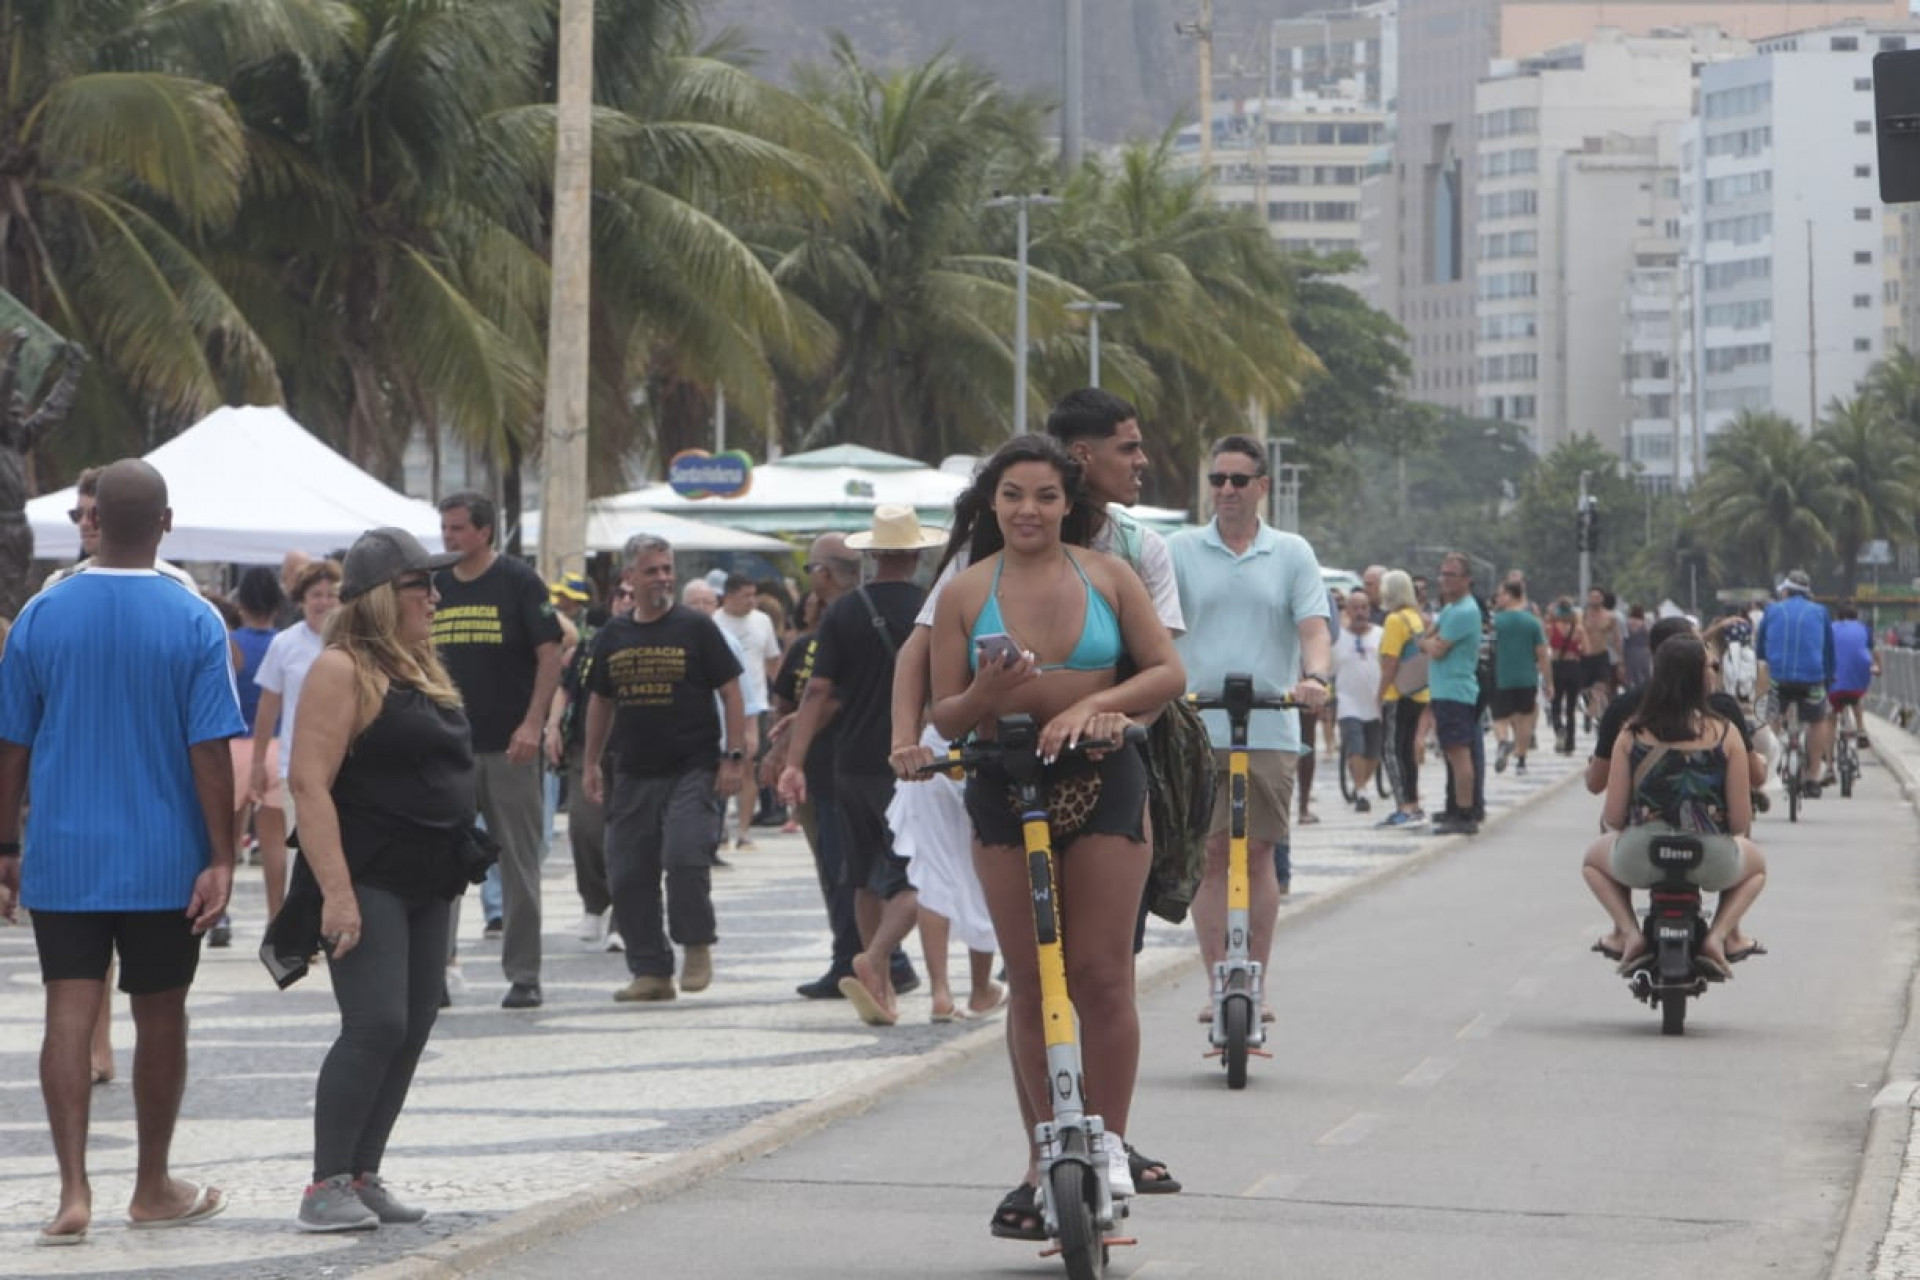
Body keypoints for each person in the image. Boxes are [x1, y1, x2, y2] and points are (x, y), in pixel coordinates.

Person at [926, 434, 1186, 1231]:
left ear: (1068, 502)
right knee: (1033, 980)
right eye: (1012, 497)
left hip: (1103, 779)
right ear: (993, 504)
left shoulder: (1109, 573)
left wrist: (1091, 707)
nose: (1028, 511)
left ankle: (1105, 1141)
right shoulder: (966, 592)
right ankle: (1045, 1152)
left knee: (1101, 973)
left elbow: (1167, 672)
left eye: (1044, 496)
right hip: (1006, 786)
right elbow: (946, 715)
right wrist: (987, 691)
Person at [0, 458, 244, 1243]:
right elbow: (210, 748)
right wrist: (222, 856)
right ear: (166, 524)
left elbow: (10, 745)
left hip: (64, 852)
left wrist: (5, 844)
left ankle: (73, 1192)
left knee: (68, 1010)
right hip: (165, 855)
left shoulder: (43, 613)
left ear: (94, 519)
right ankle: (151, 1185)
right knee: (161, 1013)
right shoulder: (196, 618)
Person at [283, 527, 473, 1232]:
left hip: (431, 873)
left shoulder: (419, 662)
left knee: (415, 1023)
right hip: (368, 873)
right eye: (420, 583)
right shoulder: (339, 668)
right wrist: (335, 892)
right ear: (379, 597)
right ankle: (324, 1183)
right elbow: (309, 784)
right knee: (376, 1022)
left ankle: (363, 1173)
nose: (435, 594)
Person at [1168, 434, 1331, 979]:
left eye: (1239, 480)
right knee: (1210, 853)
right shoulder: (1180, 551)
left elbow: (1313, 628)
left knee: (1259, 852)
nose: (1227, 490)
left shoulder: (1291, 552)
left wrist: (1314, 677)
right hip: (1195, 724)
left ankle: (1254, 978)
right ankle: (1218, 979)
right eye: (1218, 480)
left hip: (1269, 723)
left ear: (1262, 487)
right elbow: (1158, 629)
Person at [777, 505, 941, 1026]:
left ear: (871, 555)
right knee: (922, 875)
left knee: (863, 877)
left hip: (850, 764)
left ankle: (884, 986)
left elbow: (819, 693)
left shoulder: (845, 612)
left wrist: (794, 761)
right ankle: (874, 960)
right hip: (915, 760)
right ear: (916, 554)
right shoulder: (933, 608)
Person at [582, 535, 746, 1002]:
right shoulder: (614, 634)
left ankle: (695, 942)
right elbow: (600, 701)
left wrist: (733, 757)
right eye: (652, 570)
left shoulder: (695, 627)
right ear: (629, 578)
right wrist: (591, 762)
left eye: (667, 569)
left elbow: (731, 691)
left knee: (684, 855)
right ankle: (651, 970)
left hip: (692, 767)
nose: (662, 578)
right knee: (628, 872)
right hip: (633, 771)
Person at [431, 492, 564, 1009]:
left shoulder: (519, 582)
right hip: (449, 751)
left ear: (485, 531)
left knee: (518, 865)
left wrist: (534, 723)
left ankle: (524, 974)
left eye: (459, 528)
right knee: (442, 867)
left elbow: (550, 654)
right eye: (444, 528)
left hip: (509, 748)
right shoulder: (435, 583)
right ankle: (435, 971)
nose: (449, 537)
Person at [1582, 637, 1766, 976]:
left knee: (1592, 862)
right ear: (1702, 679)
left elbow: (1612, 816)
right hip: (1711, 859)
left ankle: (1629, 931)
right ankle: (1721, 935)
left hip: (1641, 857)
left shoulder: (1631, 734)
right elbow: (1741, 821)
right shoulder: (1726, 734)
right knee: (1757, 867)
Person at [251, 558, 344, 923]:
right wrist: (260, 761)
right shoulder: (284, 644)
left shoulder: (354, 642)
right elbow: (268, 705)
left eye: (331, 595)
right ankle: (304, 927)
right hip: (297, 767)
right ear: (301, 600)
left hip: (347, 764)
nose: (323, 602)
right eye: (315, 595)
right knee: (302, 848)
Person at [214, 566, 287, 947]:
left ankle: (219, 914)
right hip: (275, 746)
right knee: (274, 843)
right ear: (277, 604)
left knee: (225, 839)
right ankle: (277, 921)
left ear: (240, 604)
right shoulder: (284, 644)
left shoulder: (230, 644)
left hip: (234, 746)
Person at [547, 574, 621, 949]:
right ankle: (594, 903)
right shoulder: (593, 645)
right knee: (585, 830)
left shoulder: (667, 637)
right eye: (619, 594)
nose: (626, 600)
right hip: (585, 747)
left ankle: (623, 917)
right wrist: (552, 726)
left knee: (628, 836)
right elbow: (567, 687)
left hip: (636, 753)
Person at [1417, 552, 1483, 836]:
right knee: (1450, 751)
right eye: (1442, 574)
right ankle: (1455, 805)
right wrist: (1427, 641)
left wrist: (1427, 642)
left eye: (1451, 575)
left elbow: (1435, 646)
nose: (1444, 580)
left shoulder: (1464, 611)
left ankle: (1466, 812)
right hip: (1444, 689)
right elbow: (1428, 637)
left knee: (1459, 753)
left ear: (1467, 580)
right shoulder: (1450, 609)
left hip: (1456, 690)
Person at [715, 573, 781, 851]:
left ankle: (742, 831)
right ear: (728, 596)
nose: (752, 601)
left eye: (754, 594)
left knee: (749, 769)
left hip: (758, 704)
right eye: (746, 595)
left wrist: (779, 699)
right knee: (720, 766)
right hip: (722, 707)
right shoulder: (714, 623)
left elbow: (773, 660)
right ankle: (717, 831)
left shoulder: (762, 621)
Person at [1755, 569, 1836, 798]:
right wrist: (1828, 679)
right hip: (1812, 678)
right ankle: (1812, 777)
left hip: (1778, 678)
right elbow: (1828, 651)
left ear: (1786, 591)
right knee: (1817, 721)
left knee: (1772, 717)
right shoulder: (1821, 612)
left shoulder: (1771, 610)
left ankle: (1768, 770)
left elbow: (1761, 649)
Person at [1375, 569, 1428, 827]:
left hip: (1397, 693)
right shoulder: (1414, 617)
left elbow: (1390, 661)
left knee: (1392, 751)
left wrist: (1380, 693)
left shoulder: (1395, 620)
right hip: (1417, 692)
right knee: (1407, 750)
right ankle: (1414, 803)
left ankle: (1403, 806)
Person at [1490, 580, 1551, 776]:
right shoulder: (1533, 622)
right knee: (1524, 720)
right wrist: (1549, 681)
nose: (1498, 598)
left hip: (1501, 676)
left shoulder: (1496, 621)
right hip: (1527, 678)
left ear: (1509, 595)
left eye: (1500, 594)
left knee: (1500, 717)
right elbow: (1542, 654)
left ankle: (1502, 742)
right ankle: (1521, 761)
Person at [1331, 589, 1383, 813]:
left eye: (1364, 608)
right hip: (1348, 702)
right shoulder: (1338, 639)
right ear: (1348, 611)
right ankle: (1361, 791)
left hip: (1377, 703)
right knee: (1356, 745)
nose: (1360, 612)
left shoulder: (1381, 634)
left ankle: (1361, 783)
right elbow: (1329, 668)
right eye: (1356, 608)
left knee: (1374, 752)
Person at [1828, 602, 1877, 756]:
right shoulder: (1864, 629)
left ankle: (1829, 766)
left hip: (1833, 684)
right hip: (1857, 684)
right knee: (1856, 698)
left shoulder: (1830, 628)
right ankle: (1861, 728)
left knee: (1830, 716)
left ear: (1837, 616)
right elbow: (1874, 652)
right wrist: (1879, 668)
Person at [1546, 598, 1586, 754]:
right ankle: (1570, 744)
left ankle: (1559, 729)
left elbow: (1546, 645)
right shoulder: (1579, 629)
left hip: (1557, 667)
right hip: (1574, 667)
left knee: (1555, 703)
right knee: (1570, 708)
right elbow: (1586, 649)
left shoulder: (1550, 628)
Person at [1580, 587, 1621, 727]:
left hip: (1601, 655)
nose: (1594, 600)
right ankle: (1590, 710)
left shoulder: (1610, 616)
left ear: (1602, 599)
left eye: (1597, 597)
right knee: (1586, 689)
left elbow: (1617, 639)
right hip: (1584, 656)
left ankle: (1590, 713)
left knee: (1601, 686)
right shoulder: (1582, 615)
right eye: (1592, 597)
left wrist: (1621, 660)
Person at [1623, 605, 1652, 688]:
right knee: (1644, 674)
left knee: (1630, 675)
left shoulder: (1628, 622)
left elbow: (1624, 637)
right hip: (1644, 651)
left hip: (1629, 650)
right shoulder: (1645, 623)